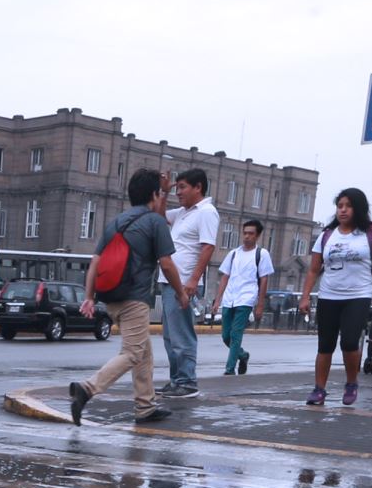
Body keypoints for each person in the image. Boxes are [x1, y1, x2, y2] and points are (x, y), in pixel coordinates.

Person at [69, 168, 181, 426]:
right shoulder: (155, 222)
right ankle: (87, 388)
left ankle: (146, 407)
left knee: (144, 352)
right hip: (135, 299)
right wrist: (181, 292)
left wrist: (88, 296)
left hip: (111, 298)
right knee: (132, 352)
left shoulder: (116, 222)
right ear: (154, 194)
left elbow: (95, 262)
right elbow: (166, 264)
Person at [297, 188, 372, 406]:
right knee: (325, 344)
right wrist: (305, 296)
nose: (343, 210)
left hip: (358, 295)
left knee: (349, 341)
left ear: (358, 208)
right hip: (328, 295)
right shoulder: (327, 235)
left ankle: (351, 382)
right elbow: (314, 269)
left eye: (348, 206)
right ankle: (319, 389)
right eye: (340, 206)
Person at [161, 169, 218, 398]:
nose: (178, 192)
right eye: (177, 188)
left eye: (182, 187)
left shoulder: (206, 212)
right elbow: (159, 215)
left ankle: (187, 381)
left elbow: (208, 247)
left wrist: (194, 279)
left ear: (198, 188)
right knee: (170, 336)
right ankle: (177, 380)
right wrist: (163, 192)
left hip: (184, 282)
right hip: (169, 280)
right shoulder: (184, 213)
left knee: (181, 334)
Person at [209, 218, 274, 375]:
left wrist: (260, 304)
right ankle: (243, 356)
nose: (246, 237)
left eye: (250, 234)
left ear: (257, 236)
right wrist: (217, 300)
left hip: (246, 298)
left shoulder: (261, 254)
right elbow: (225, 276)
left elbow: (264, 279)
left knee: (236, 334)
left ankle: (229, 368)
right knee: (226, 336)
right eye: (244, 233)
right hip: (229, 298)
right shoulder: (233, 254)